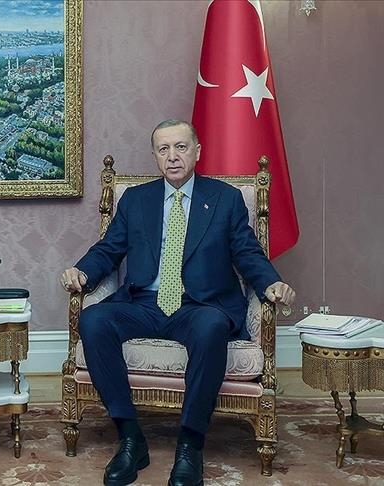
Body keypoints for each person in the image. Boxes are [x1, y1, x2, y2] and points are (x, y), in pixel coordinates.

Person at [60, 120, 295, 486]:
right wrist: (82, 271)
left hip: (200, 306)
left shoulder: (225, 199)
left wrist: (271, 283)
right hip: (145, 303)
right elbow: (109, 249)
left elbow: (247, 253)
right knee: (93, 319)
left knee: (211, 326)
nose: (172, 156)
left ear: (197, 152)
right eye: (164, 149)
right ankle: (130, 438)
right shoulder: (135, 199)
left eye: (181, 147)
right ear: (155, 156)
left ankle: (190, 444)